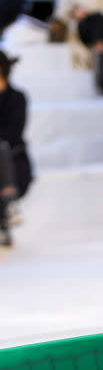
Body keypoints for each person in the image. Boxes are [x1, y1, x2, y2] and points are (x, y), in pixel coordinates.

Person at [0, 51, 32, 247]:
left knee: (1, 148)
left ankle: (8, 205)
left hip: (13, 159)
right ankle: (8, 208)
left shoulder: (17, 98)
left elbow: (15, 132)